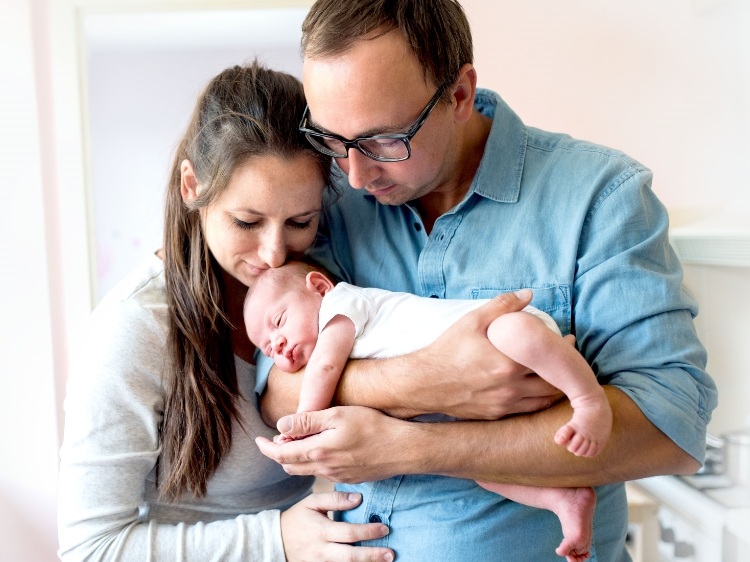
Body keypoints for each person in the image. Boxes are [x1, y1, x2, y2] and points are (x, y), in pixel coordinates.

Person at [254, 1, 719, 560]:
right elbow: (275, 390)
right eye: (333, 139)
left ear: (458, 94)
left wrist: (416, 446)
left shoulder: (600, 196)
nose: (354, 174)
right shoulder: (327, 202)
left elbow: (670, 426)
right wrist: (427, 381)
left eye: (382, 141)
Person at [56, 61, 397, 562]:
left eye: (300, 221)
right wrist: (277, 540)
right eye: (246, 221)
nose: (274, 253)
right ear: (192, 186)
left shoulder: (321, 279)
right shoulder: (134, 329)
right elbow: (89, 548)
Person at [245, 259, 611, 561]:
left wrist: (303, 424)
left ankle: (587, 400)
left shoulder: (342, 306)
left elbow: (324, 368)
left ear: (320, 287)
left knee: (514, 332)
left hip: (498, 331)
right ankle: (563, 498)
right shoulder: (329, 335)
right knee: (482, 470)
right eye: (266, 347)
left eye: (278, 322)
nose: (276, 344)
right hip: (483, 402)